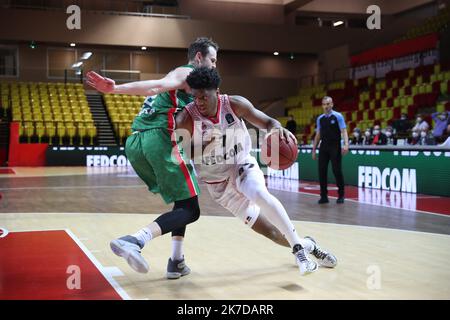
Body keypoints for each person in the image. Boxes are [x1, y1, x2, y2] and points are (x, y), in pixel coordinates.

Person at [175, 67, 337, 275]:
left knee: (259, 194)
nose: (199, 102)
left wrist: (277, 128)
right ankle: (308, 245)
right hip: (219, 186)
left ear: (216, 90)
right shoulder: (187, 118)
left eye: (203, 97)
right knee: (271, 232)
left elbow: (268, 122)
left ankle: (299, 252)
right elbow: (183, 153)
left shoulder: (234, 104)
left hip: (240, 165)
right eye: (195, 97)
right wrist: (205, 145)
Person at [86, 37, 218, 277]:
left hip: (137, 141)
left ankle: (176, 261)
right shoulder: (186, 73)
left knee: (183, 201)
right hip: (160, 137)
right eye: (212, 60)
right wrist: (115, 89)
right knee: (192, 210)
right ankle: (135, 240)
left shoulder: (186, 81)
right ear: (199, 58)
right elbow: (155, 86)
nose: (214, 66)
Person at [312, 96, 349, 204]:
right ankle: (324, 196)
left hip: (335, 146)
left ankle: (341, 195)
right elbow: (318, 135)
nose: (326, 106)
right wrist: (314, 149)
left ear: (332, 104)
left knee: (336, 170)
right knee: (322, 171)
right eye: (324, 104)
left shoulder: (338, 116)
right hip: (324, 146)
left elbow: (344, 131)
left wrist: (346, 144)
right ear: (322, 106)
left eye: (328, 104)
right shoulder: (320, 119)